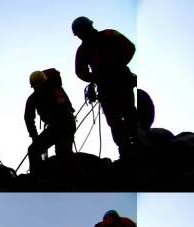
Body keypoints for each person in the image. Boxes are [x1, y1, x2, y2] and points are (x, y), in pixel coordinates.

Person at [72, 16, 138, 158]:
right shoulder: (106, 35)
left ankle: (131, 147)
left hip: (114, 83)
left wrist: (98, 75)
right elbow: (130, 47)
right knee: (123, 116)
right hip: (114, 83)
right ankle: (130, 147)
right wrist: (116, 67)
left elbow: (80, 72)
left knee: (122, 116)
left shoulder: (89, 46)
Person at [24, 69, 76, 173]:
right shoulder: (55, 90)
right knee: (35, 150)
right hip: (60, 126)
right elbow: (28, 118)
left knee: (62, 154)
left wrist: (35, 136)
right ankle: (41, 177)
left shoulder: (36, 97)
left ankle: (40, 178)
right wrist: (34, 136)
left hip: (63, 126)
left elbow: (28, 118)